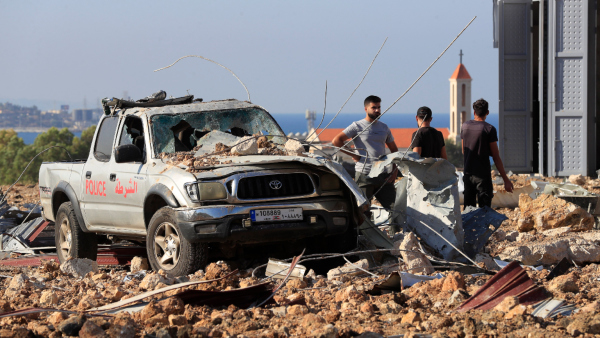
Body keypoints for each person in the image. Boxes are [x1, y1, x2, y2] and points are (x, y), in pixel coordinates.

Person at [332, 95, 399, 211]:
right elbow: (336, 141)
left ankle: (398, 230)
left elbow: (394, 151)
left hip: (383, 175)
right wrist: (354, 155)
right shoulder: (357, 126)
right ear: (366, 109)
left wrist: (394, 171)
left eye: (379, 107)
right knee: (362, 211)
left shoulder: (384, 127)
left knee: (396, 209)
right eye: (374, 107)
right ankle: (363, 230)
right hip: (364, 175)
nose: (377, 110)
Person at [461, 98, 514, 208]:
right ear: (487, 112)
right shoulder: (489, 129)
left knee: (468, 210)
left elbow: (463, 150)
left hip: (468, 174)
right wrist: (506, 180)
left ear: (474, 112)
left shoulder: (465, 126)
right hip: (483, 176)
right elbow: (495, 156)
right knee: (484, 210)